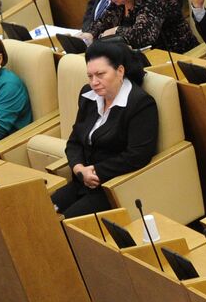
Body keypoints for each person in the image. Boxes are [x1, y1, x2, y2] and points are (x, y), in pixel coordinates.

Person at [51, 39, 158, 217]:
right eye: (90, 76)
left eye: (100, 74)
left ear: (120, 71)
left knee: (67, 222)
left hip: (113, 186)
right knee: (42, 211)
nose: (94, 82)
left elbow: (138, 155)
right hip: (82, 180)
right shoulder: (88, 96)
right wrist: (79, 169)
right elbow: (75, 141)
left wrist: (96, 172)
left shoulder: (140, 103)